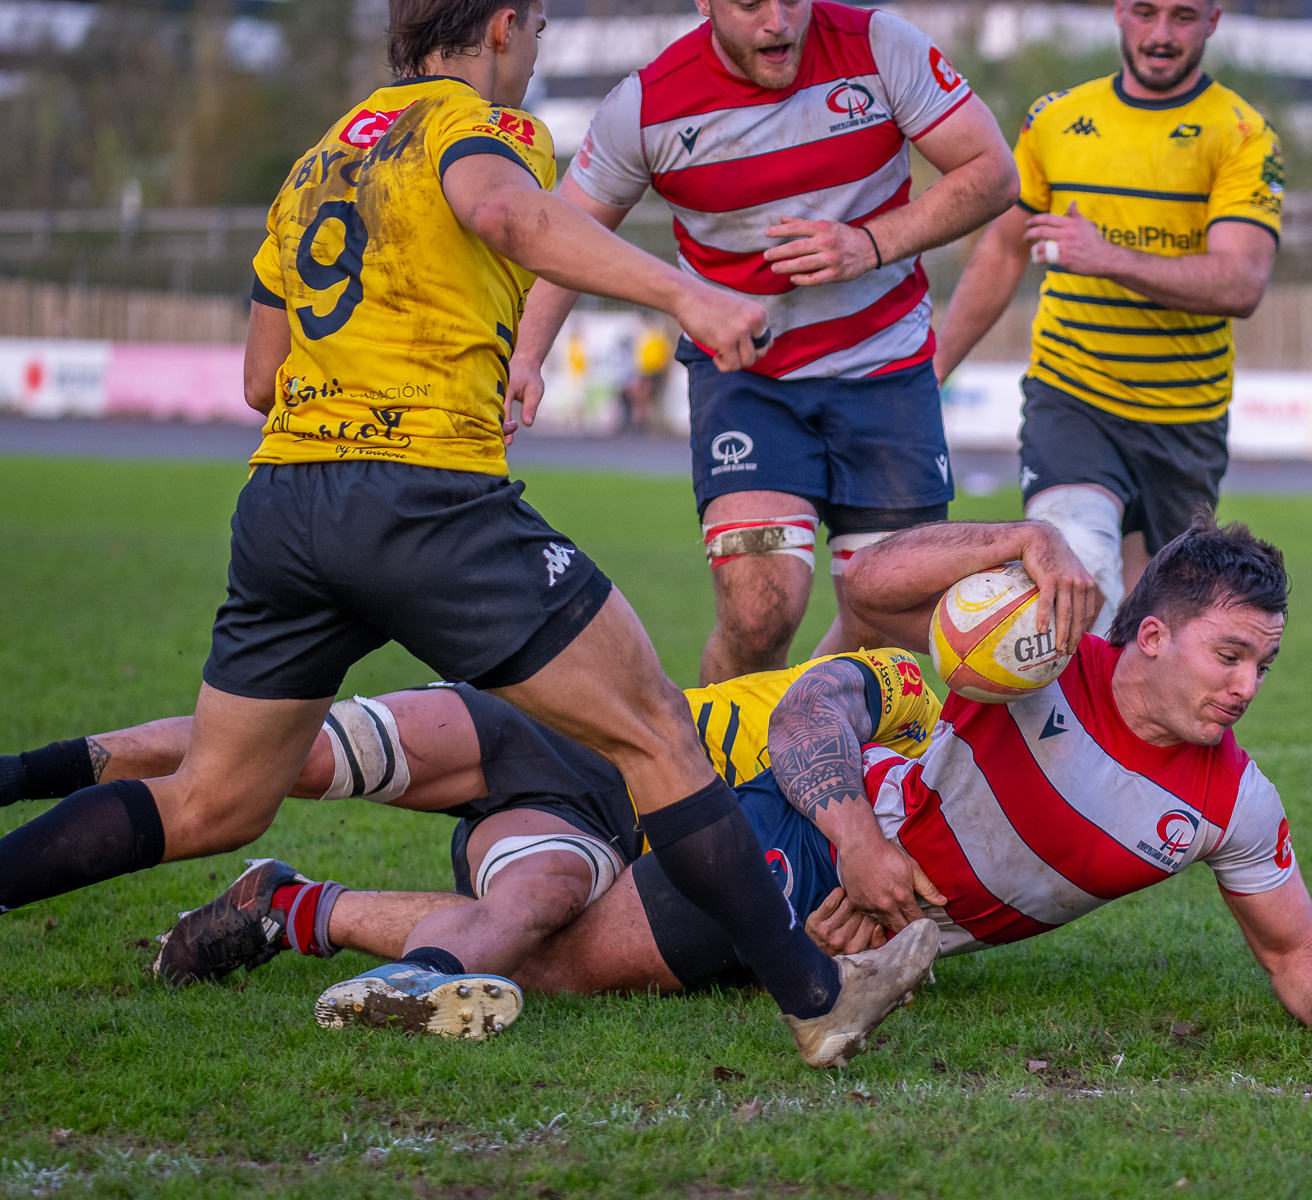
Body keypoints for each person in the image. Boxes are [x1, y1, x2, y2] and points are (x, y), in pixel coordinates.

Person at [0, 0, 938, 1070]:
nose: (535, 50)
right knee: (654, 735)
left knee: (216, 798)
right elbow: (507, 218)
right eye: (536, 27)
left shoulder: (318, 161)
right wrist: (692, 296)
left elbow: (262, 378)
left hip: (284, 506)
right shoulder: (483, 132)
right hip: (425, 501)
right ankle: (821, 997)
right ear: (501, 29)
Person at [154, 517, 1312, 1048]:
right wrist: (859, 841)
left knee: (556, 946)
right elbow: (850, 628)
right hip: (813, 842)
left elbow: (1296, 946)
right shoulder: (1025, 657)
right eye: (1230, 653)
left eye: (1266, 664)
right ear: (1152, 633)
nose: (1247, 685)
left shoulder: (1233, 801)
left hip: (878, 932)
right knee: (562, 962)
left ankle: (293, 901)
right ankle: (294, 892)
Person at [2, 647, 940, 1040]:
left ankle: (391, 966)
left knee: (533, 911)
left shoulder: (958, 802)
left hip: (597, 828)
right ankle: (24, 772)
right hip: (545, 729)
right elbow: (812, 720)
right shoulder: (907, 688)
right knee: (272, 749)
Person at [502, 0, 1020, 685]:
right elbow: (564, 235)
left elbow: (993, 172)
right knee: (758, 615)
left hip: (886, 369)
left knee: (885, 626)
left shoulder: (881, 45)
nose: (778, 20)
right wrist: (527, 354)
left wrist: (872, 242)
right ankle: (725, 782)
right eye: (750, 4)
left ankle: (806, 750)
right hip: (748, 379)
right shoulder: (648, 105)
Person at [933, 0, 1282, 635]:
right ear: (1120, 12)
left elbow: (1242, 281)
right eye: (1145, 13)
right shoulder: (1057, 117)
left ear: (1213, 21)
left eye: (1182, 17)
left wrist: (1108, 257)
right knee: (1081, 571)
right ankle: (1049, 733)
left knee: (1165, 625)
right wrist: (929, 369)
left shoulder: (1242, 133)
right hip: (1072, 395)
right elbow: (1004, 250)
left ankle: (1136, 731)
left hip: (1184, 417)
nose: (1161, 35)